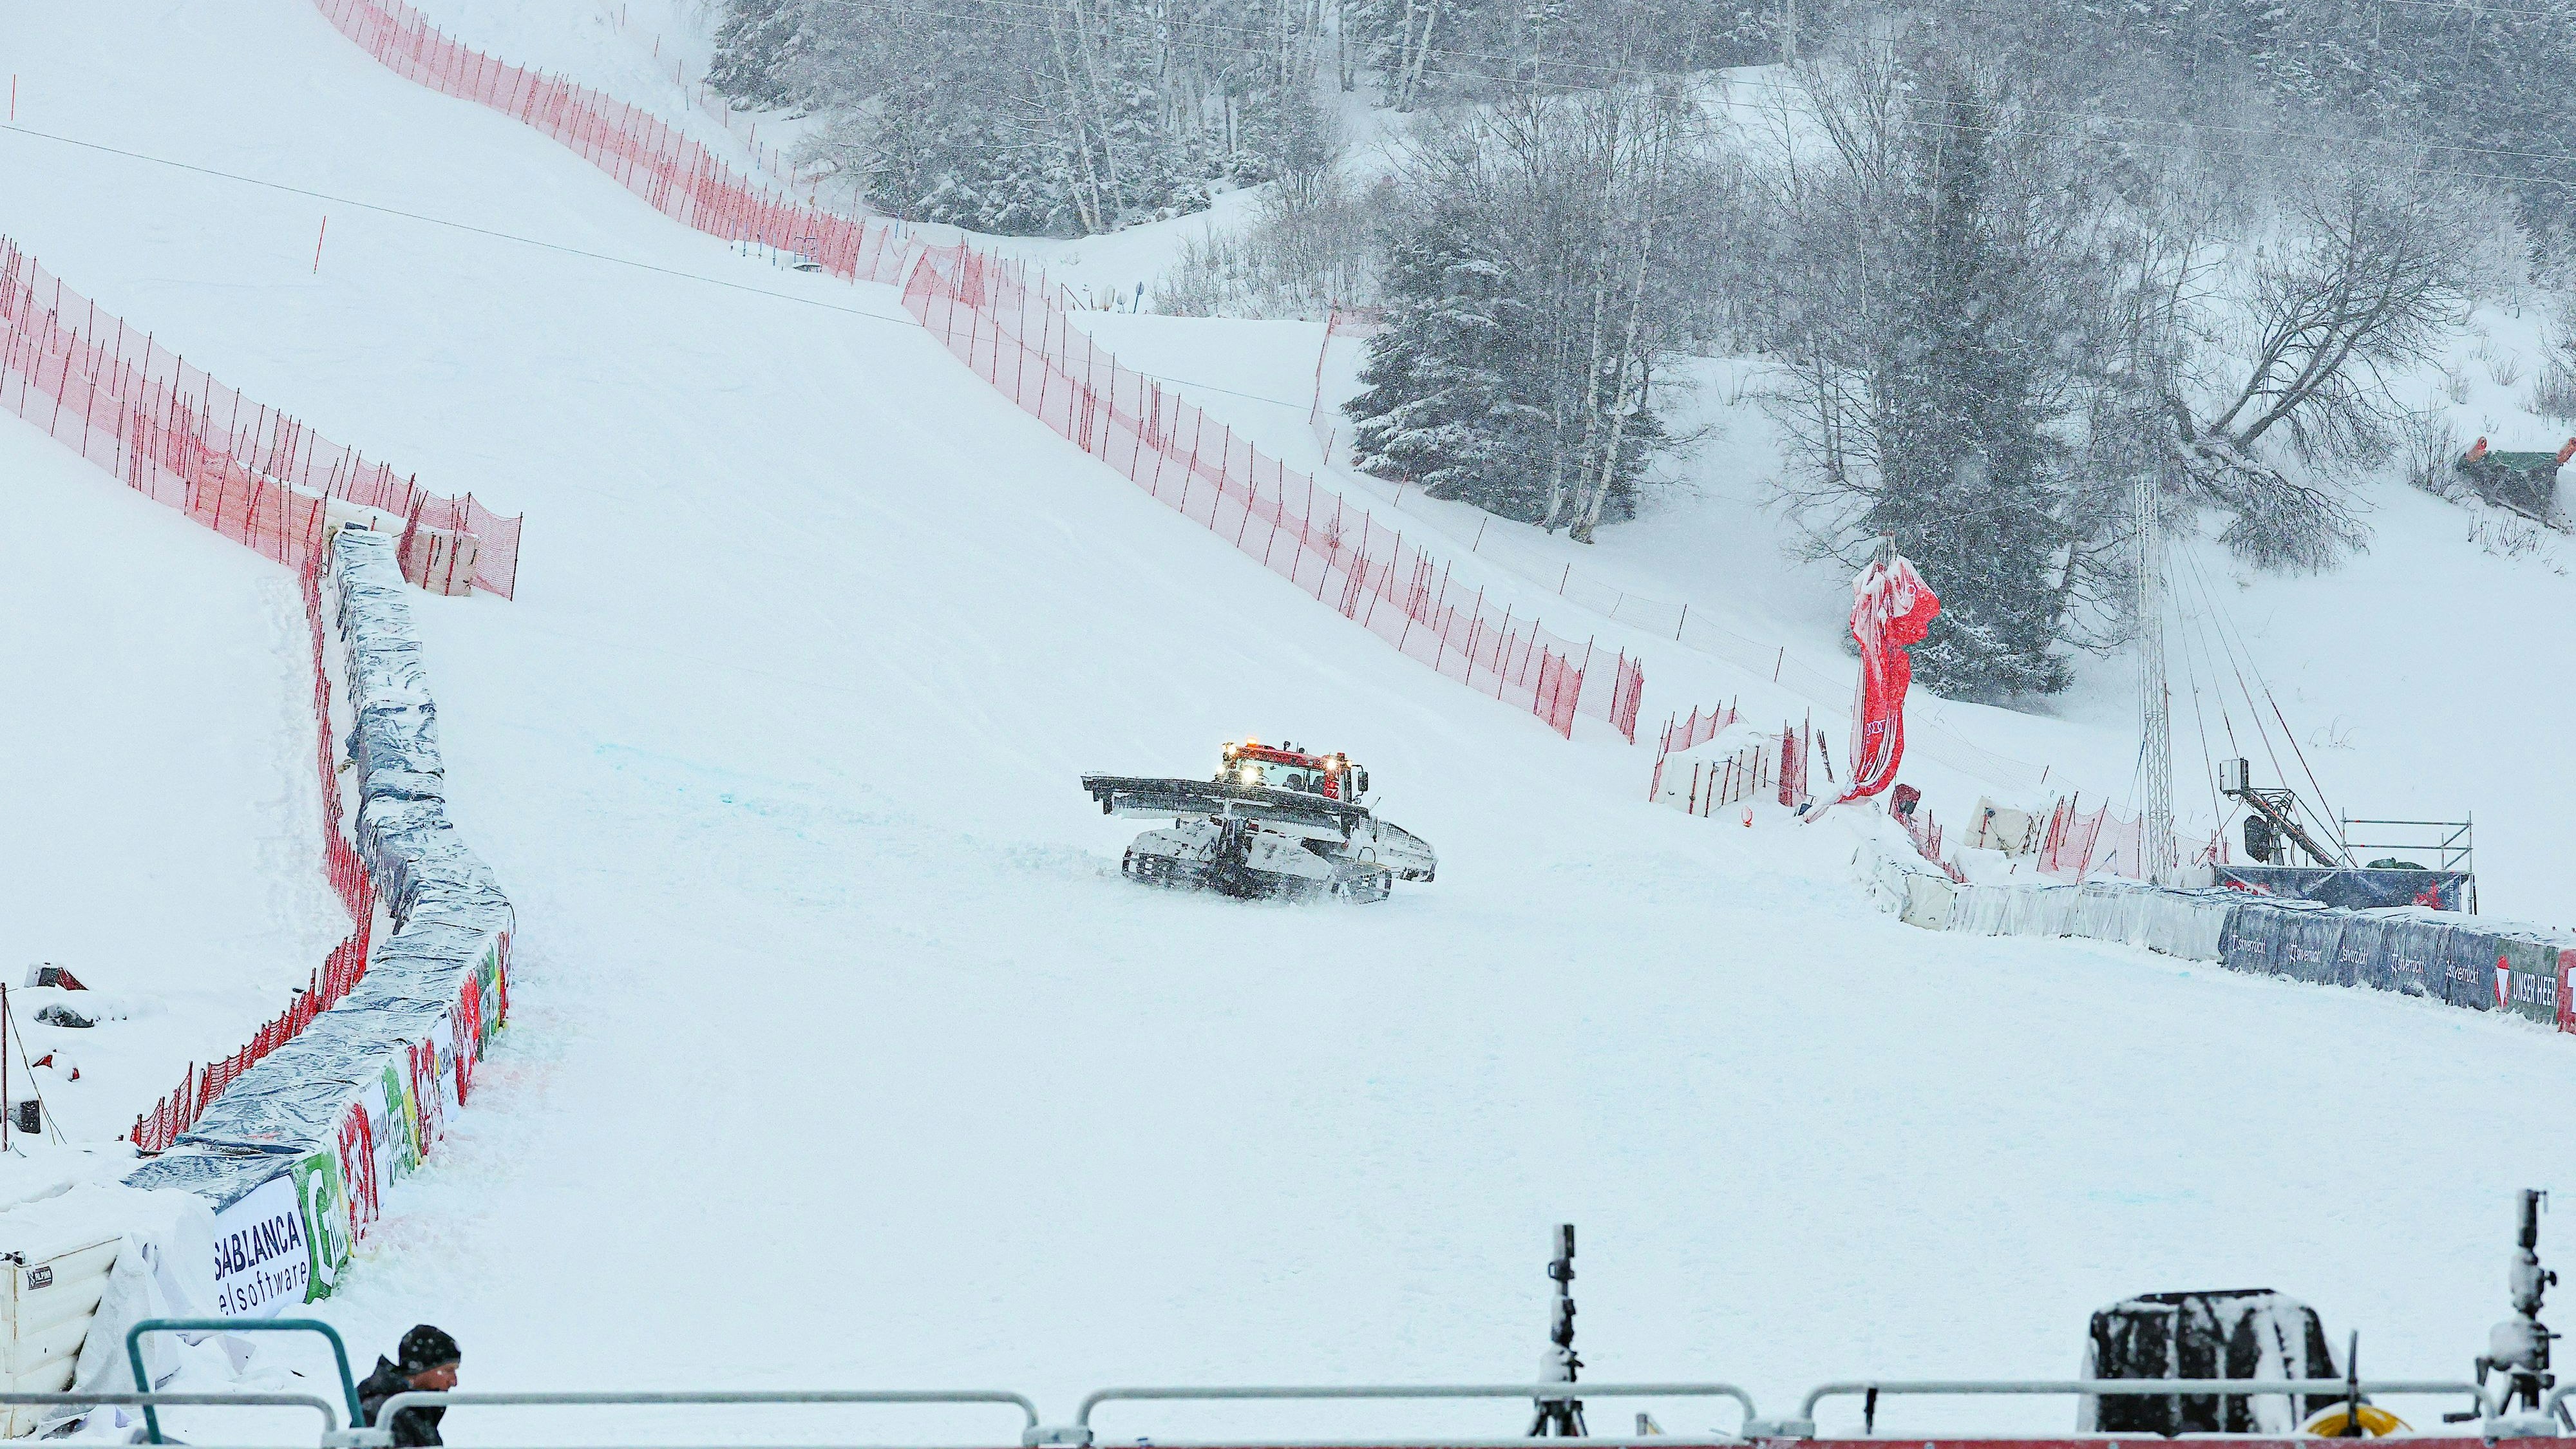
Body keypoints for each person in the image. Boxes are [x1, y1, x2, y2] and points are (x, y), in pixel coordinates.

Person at [357, 1325, 461, 1446]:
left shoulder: (416, 1410)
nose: (454, 1382)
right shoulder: (385, 1412)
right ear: (422, 1369)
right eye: (448, 1370)